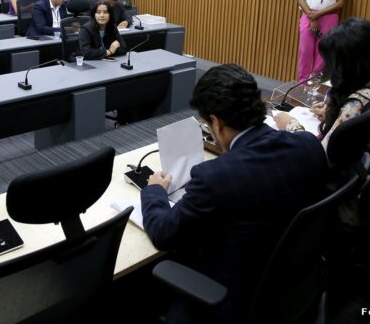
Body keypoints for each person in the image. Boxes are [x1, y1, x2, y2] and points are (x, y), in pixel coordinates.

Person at [141, 64, 328, 323]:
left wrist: (154, 191)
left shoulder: (214, 177)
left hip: (233, 300)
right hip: (298, 287)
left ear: (215, 123)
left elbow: (164, 233)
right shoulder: (309, 147)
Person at [275, 18, 370, 161]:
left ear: (350, 64)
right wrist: (333, 114)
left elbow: (319, 158)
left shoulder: (358, 103)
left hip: (345, 174)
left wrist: (291, 125)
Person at [296, 0, 349, 82]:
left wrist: (318, 15)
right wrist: (311, 16)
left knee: (323, 53)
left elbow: (340, 3)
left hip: (329, 18)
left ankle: (314, 84)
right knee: (305, 51)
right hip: (308, 15)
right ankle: (302, 83)